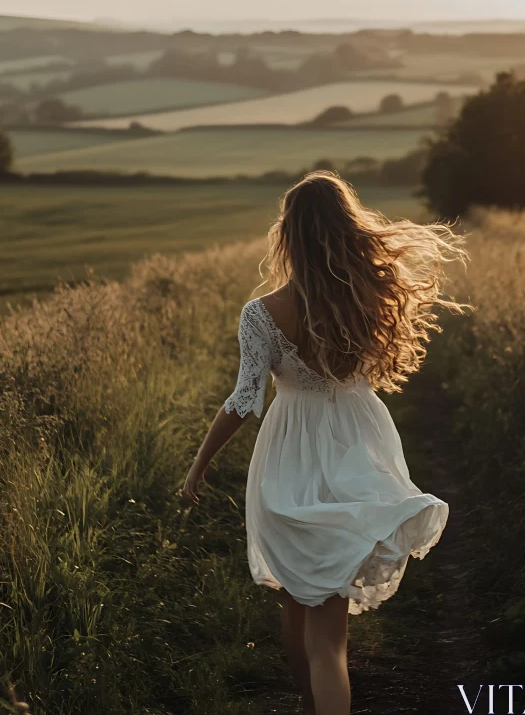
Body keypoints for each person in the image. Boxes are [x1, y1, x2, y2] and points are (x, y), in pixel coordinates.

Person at [181, 171, 469, 715]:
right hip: (359, 445)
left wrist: (199, 465)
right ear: (346, 229)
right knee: (321, 636)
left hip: (290, 454)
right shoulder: (366, 300)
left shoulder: (261, 314)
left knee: (306, 633)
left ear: (287, 234)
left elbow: (245, 400)